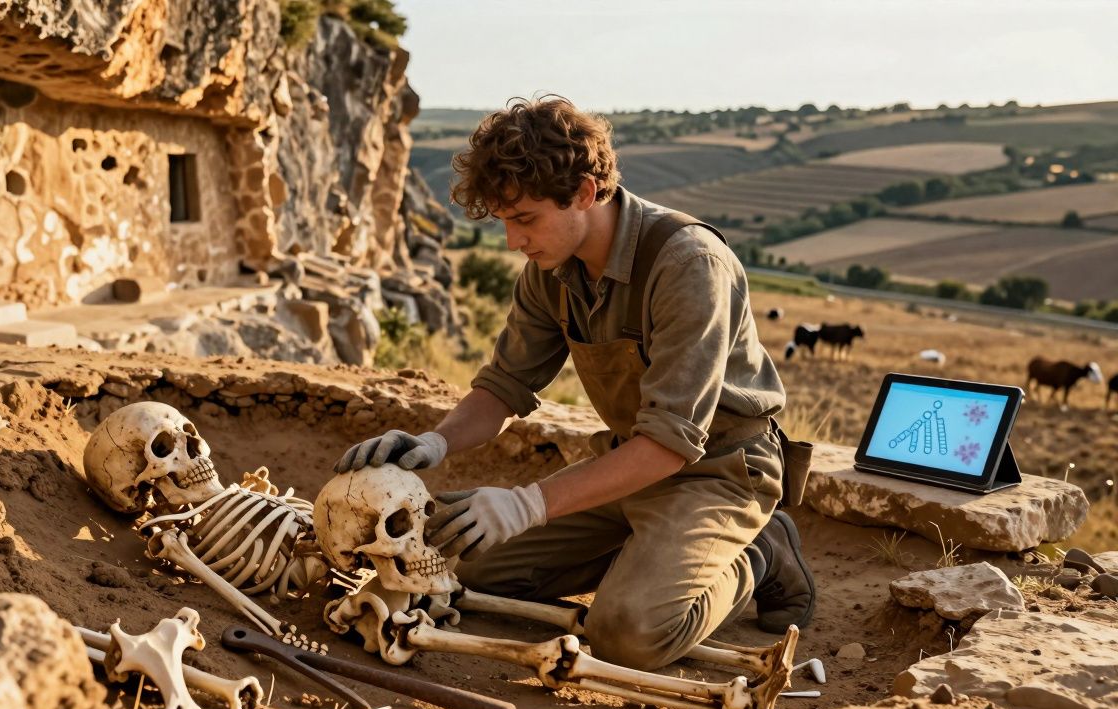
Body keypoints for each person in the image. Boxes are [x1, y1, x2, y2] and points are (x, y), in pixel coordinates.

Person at [334, 95, 813, 671]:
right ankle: (652, 559)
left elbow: (669, 443)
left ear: (585, 193)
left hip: (720, 471)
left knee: (630, 633)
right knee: (451, 560)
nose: (513, 241)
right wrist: (433, 443)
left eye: (524, 219)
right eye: (505, 221)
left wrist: (526, 505)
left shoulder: (689, 264)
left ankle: (760, 551)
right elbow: (504, 386)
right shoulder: (550, 270)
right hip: (625, 464)